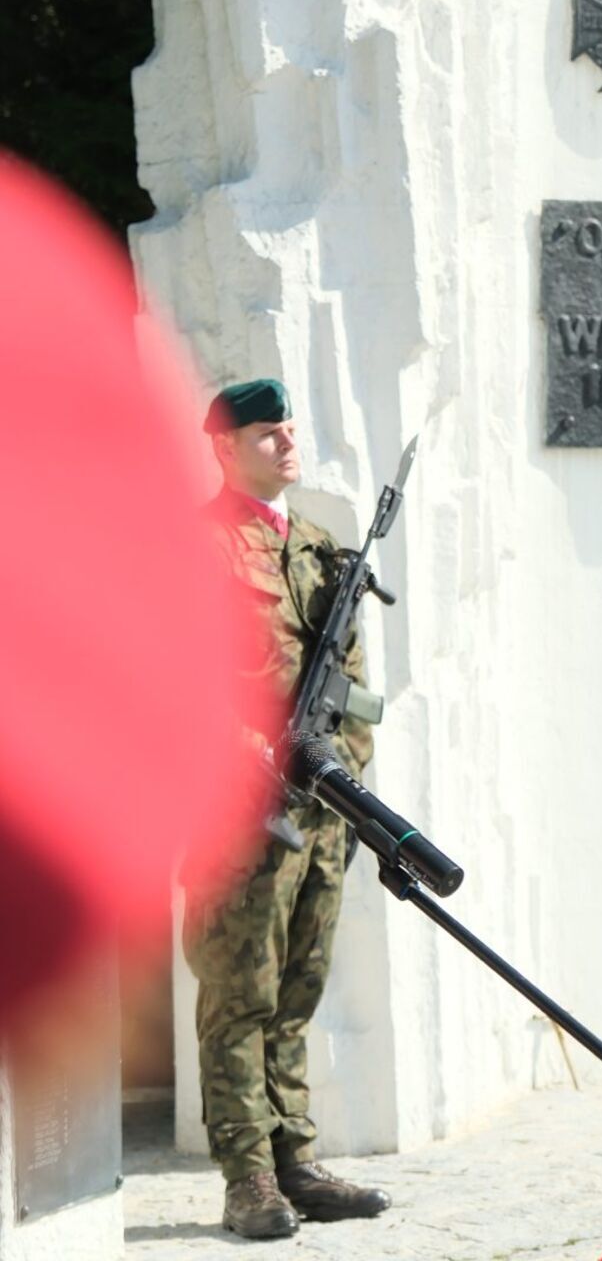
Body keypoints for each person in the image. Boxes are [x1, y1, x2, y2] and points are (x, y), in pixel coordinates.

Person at [185, 378, 391, 1240]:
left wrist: (339, 773)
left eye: (288, 430)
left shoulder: (318, 548)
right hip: (233, 810)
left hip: (316, 807)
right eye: (266, 434)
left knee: (299, 984)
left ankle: (296, 1159)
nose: (285, 443)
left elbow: (350, 687)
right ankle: (248, 1179)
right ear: (225, 447)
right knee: (241, 994)